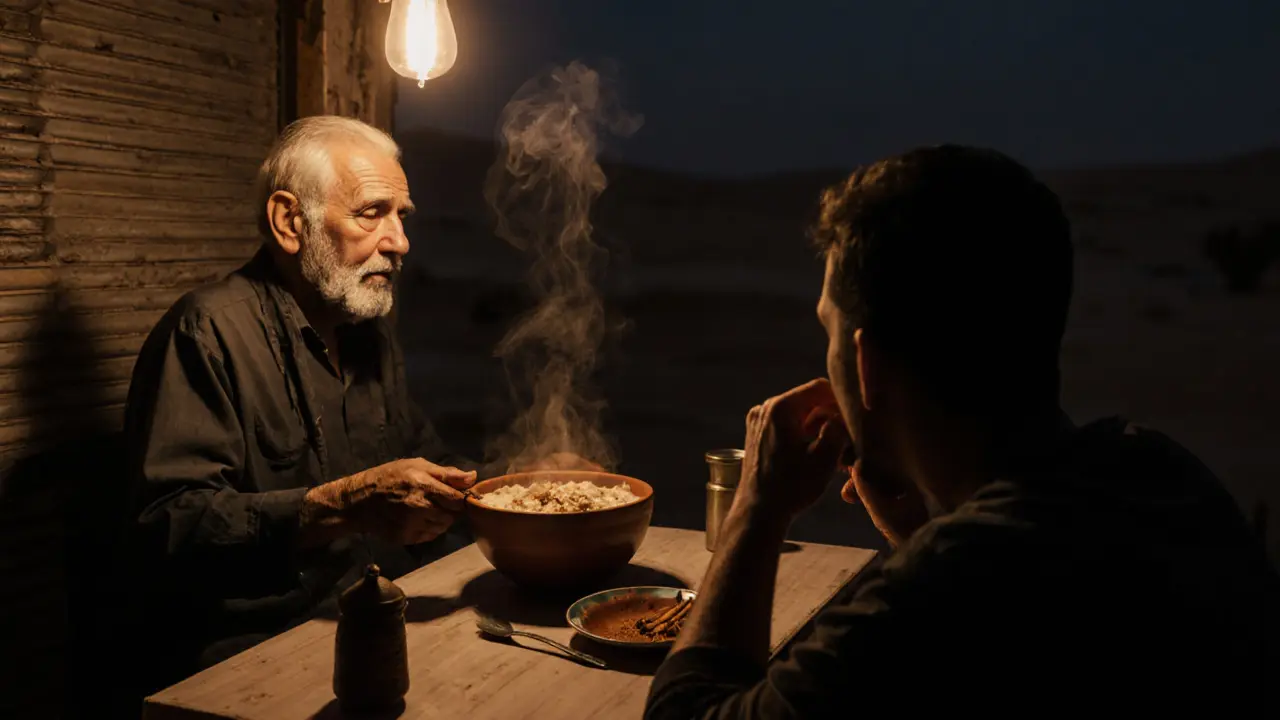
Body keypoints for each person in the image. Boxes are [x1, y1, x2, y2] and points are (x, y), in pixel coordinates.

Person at [644, 145, 1278, 717]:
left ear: (865, 365)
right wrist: (932, 527)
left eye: (829, 333)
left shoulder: (948, 588)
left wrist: (756, 509)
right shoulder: (1163, 473)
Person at [120, 116, 592, 694]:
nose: (399, 241)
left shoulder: (366, 332)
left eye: (402, 216)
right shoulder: (208, 333)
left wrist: (523, 489)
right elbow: (170, 524)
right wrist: (346, 504)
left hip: (384, 620)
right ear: (290, 222)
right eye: (372, 213)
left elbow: (422, 465)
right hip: (260, 654)